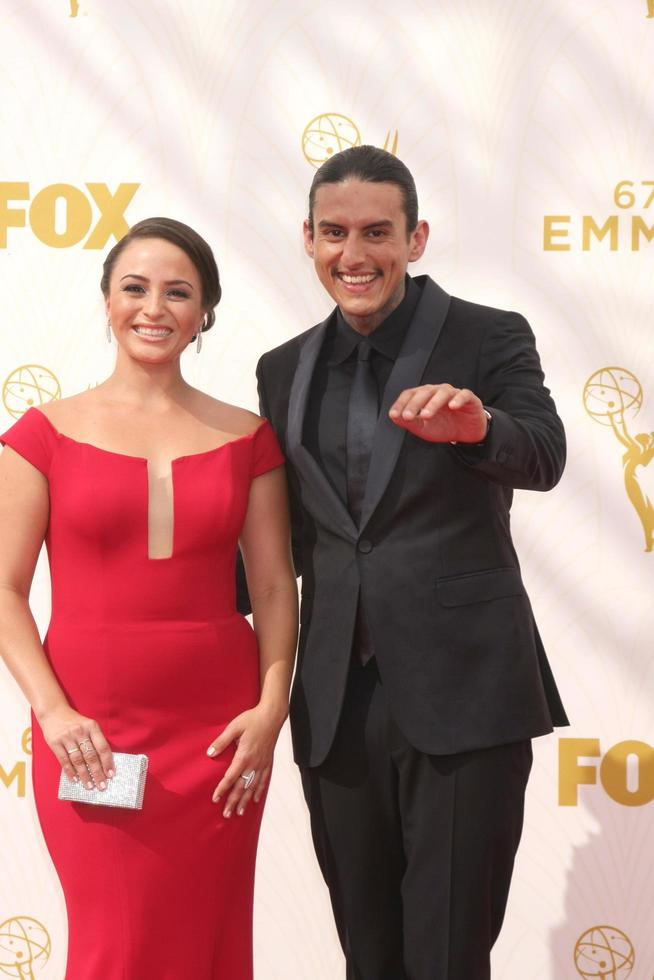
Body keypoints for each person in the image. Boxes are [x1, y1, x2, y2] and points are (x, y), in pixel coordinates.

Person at [239, 146, 568, 979]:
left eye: (378, 232)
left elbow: (545, 453)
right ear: (308, 240)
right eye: (336, 234)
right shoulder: (282, 368)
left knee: (448, 957)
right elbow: (295, 541)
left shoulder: (490, 335)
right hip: (335, 701)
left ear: (416, 239)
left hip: (465, 693)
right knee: (369, 955)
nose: (356, 255)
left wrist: (479, 428)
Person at [0, 217, 298, 979]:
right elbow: (3, 588)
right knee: (115, 947)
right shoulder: (43, 435)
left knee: (209, 940)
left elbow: (272, 588)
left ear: (205, 313)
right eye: (135, 288)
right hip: (91, 733)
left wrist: (271, 710)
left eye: (178, 292)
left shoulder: (248, 438)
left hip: (220, 740)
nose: (153, 307)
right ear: (106, 302)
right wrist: (54, 711)